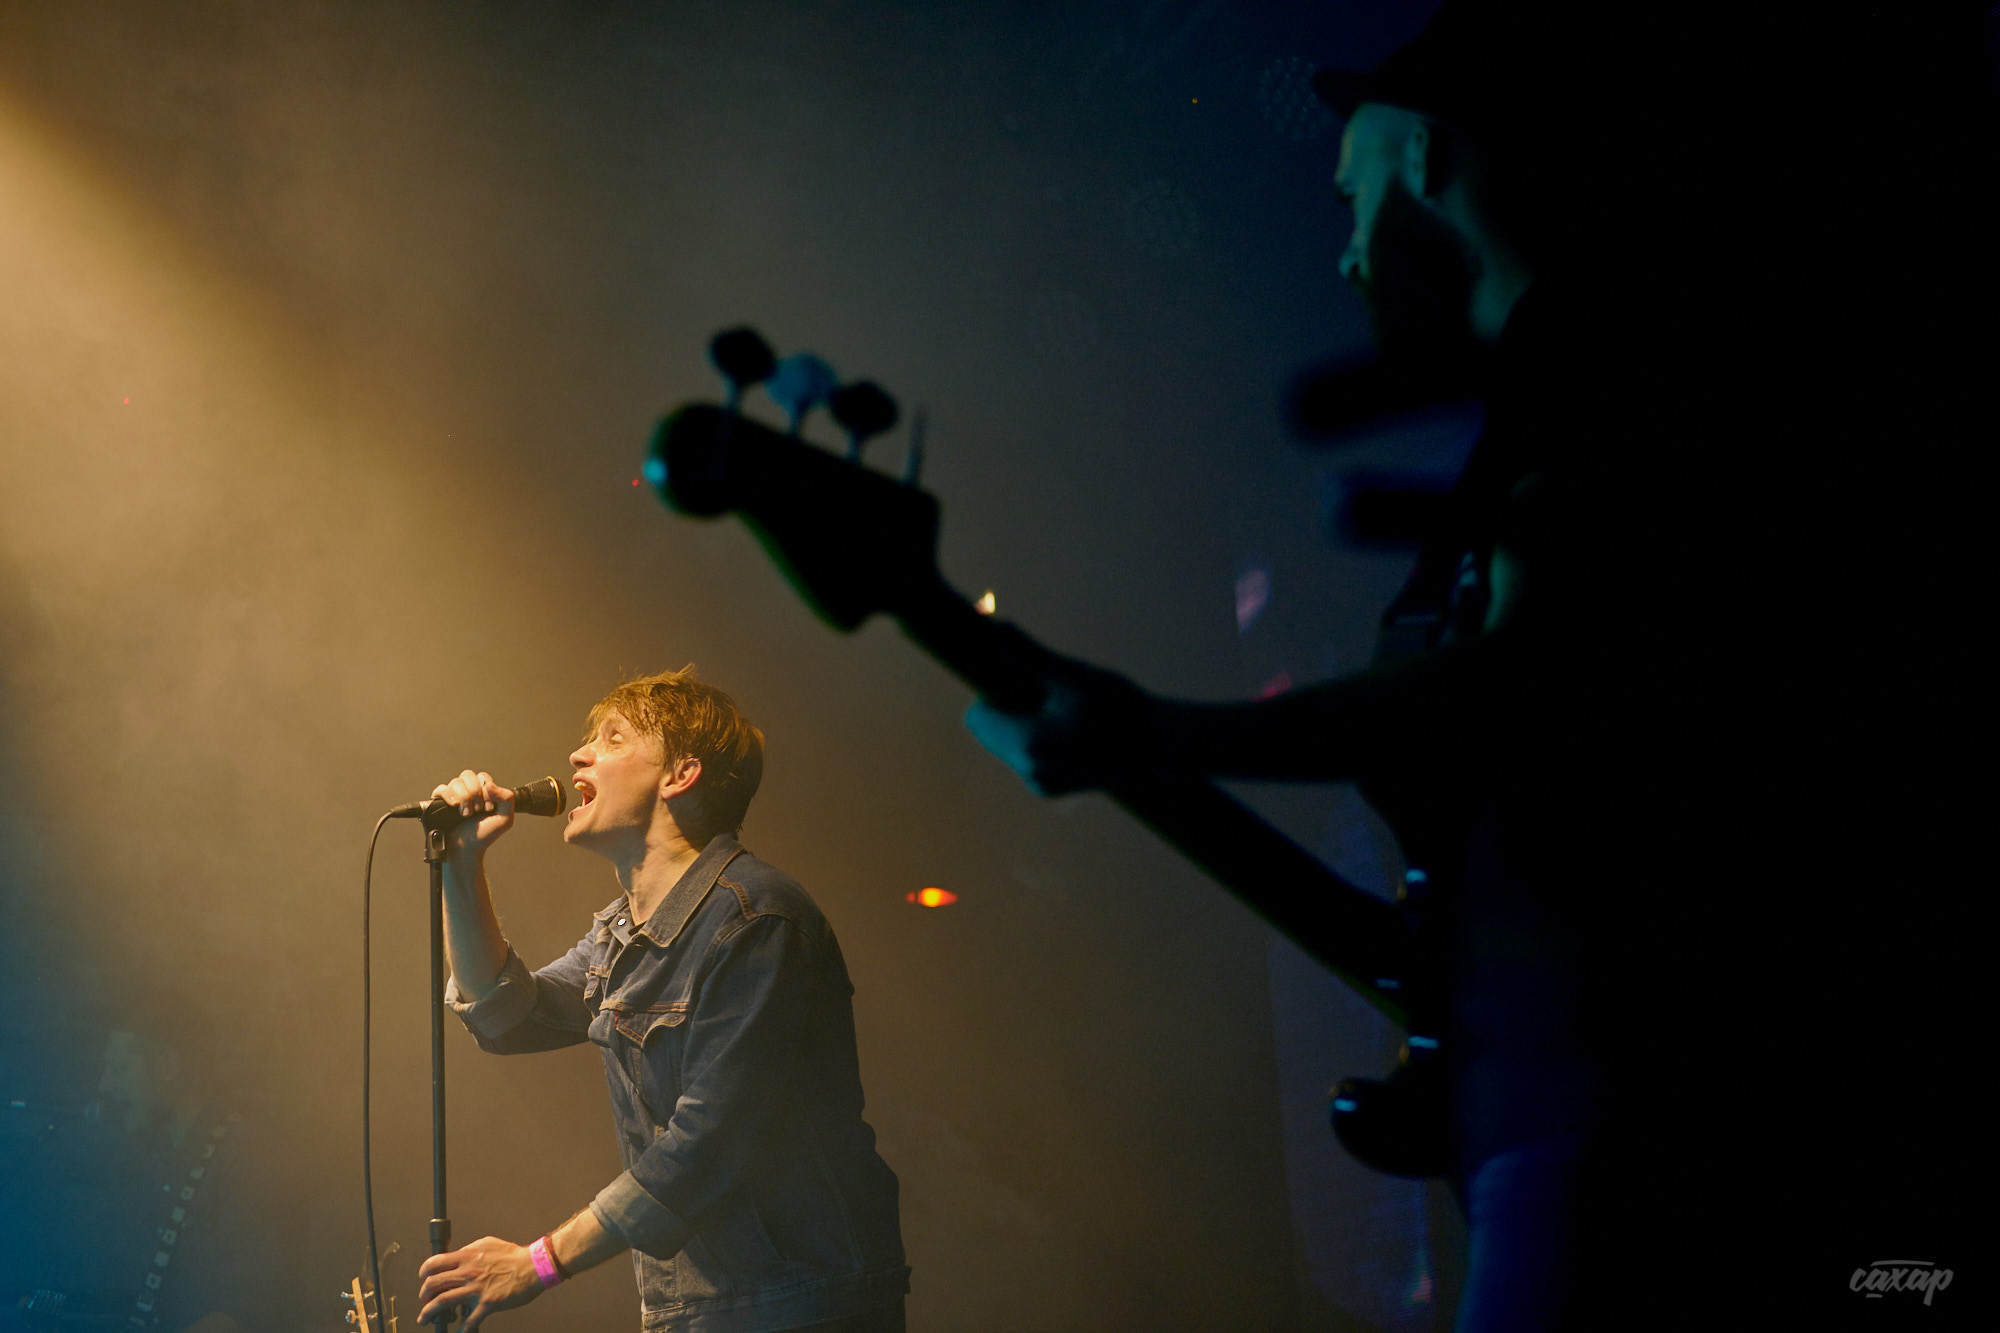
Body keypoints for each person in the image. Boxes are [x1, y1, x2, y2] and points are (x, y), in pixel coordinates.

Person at [965, 5, 1971, 1328]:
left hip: (1619, 1121)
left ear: (1430, 159)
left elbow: (1514, 686)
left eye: (1353, 189)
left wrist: (1166, 733)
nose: (1342, 248)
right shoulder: (1566, 396)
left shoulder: (1614, 371)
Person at [414, 667, 909, 1332]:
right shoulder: (622, 935)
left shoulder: (757, 919)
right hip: (702, 1311)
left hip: (796, 1306)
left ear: (680, 774)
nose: (577, 754)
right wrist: (460, 866)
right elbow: (507, 1017)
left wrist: (537, 1262)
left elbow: (706, 1146)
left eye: (611, 737)